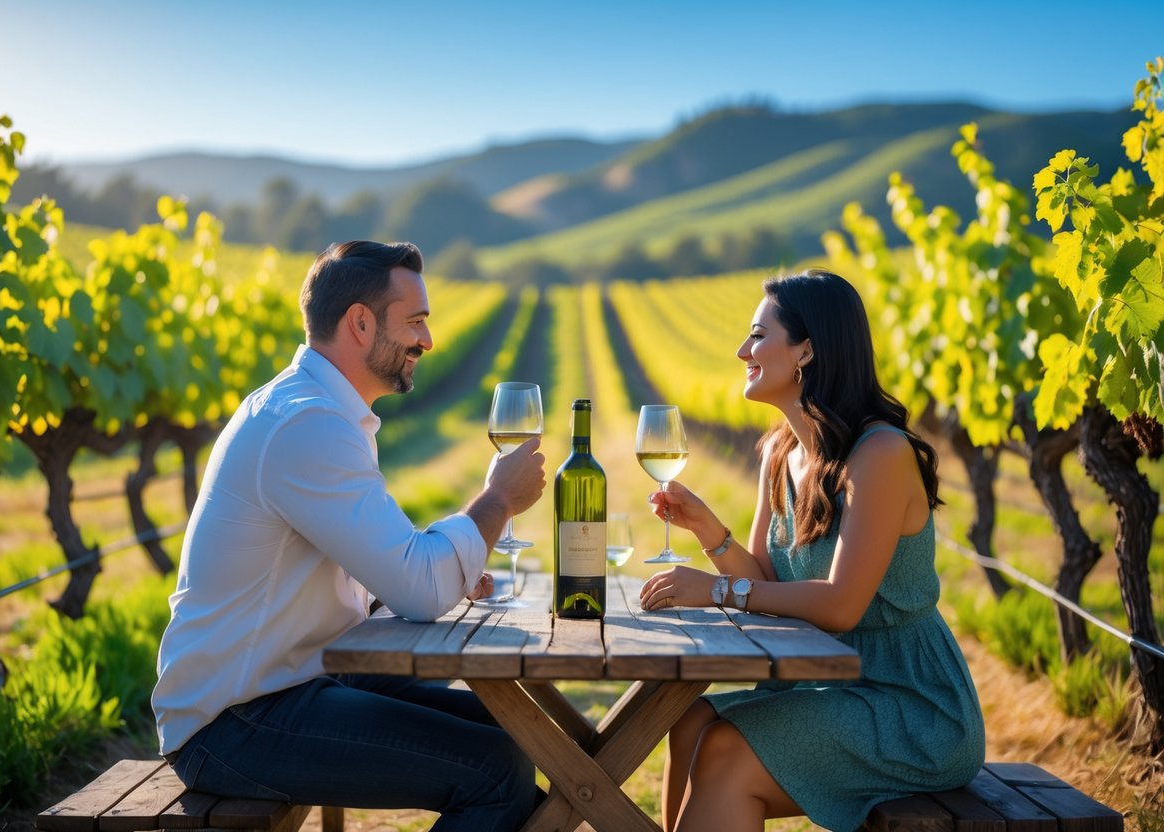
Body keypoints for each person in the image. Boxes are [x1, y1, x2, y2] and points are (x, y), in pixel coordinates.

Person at [151, 240, 545, 832]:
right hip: (233, 719)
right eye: (415, 321)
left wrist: (436, 570)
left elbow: (384, 571)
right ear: (360, 323)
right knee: (494, 771)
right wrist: (498, 500)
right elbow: (420, 586)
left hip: (296, 678)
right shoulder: (307, 423)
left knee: (518, 734)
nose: (428, 340)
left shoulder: (319, 410)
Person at [639, 269, 985, 832]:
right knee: (692, 719)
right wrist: (709, 530)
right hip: (825, 682)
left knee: (725, 747)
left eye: (757, 335)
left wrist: (716, 590)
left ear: (806, 350)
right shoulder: (781, 451)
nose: (741, 350)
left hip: (909, 703)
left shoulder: (881, 453)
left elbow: (841, 604)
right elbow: (763, 579)